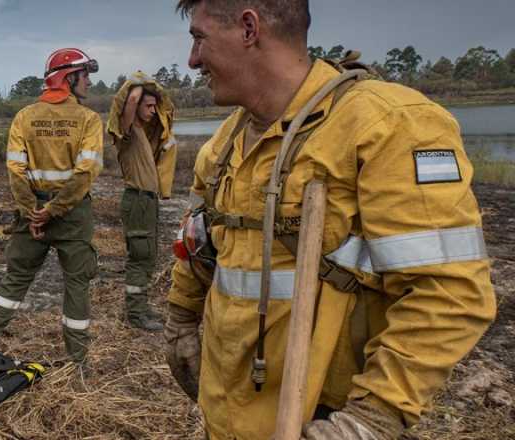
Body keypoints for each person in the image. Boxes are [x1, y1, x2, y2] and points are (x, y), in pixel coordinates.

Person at [164, 1, 496, 439]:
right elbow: (199, 242)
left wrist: (371, 418)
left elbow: (449, 294)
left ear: (249, 28)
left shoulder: (387, 125)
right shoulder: (225, 143)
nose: (192, 61)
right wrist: (181, 320)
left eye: (198, 38)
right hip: (230, 411)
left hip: (322, 417)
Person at [0, 48, 104, 372]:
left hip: (32, 216)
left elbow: (15, 171)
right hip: (72, 216)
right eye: (84, 74)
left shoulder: (24, 117)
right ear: (68, 78)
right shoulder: (88, 120)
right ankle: (78, 366)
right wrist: (54, 210)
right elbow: (86, 173)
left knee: (14, 281)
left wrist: (32, 211)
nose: (88, 81)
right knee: (76, 286)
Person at [105, 71, 179, 331]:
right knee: (140, 256)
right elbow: (132, 96)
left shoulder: (145, 135)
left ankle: (142, 307)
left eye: (154, 106)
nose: (153, 110)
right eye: (148, 106)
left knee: (148, 257)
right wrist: (141, 85)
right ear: (134, 108)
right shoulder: (127, 133)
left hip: (147, 200)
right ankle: (136, 314)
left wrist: (152, 97)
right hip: (136, 199)